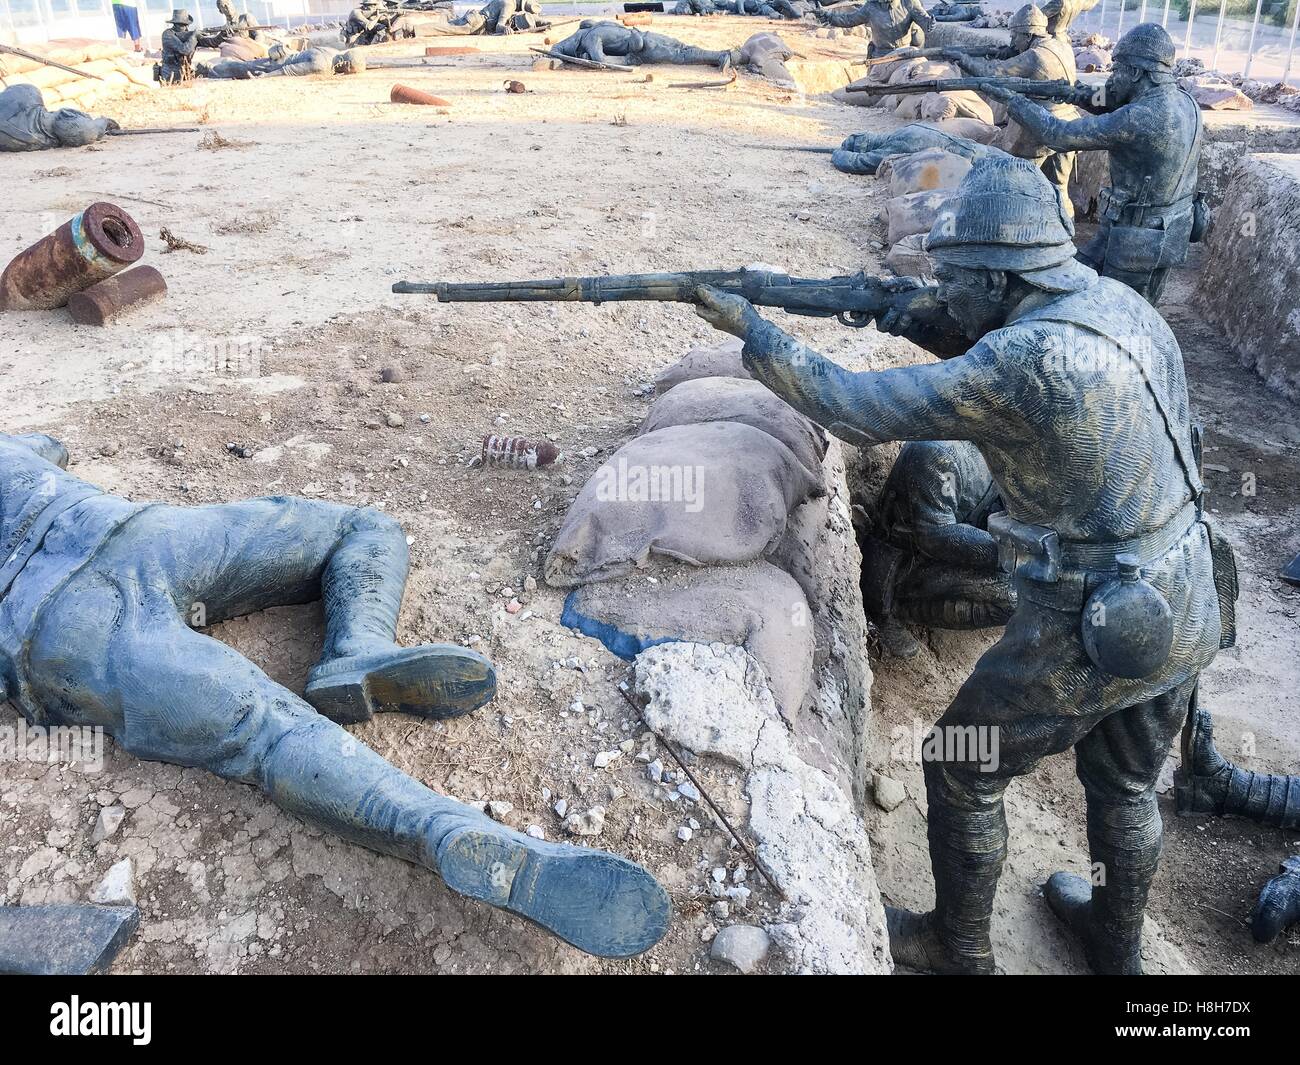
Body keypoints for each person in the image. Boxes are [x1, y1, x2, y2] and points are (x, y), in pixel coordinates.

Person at [690, 154, 1234, 975]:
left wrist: (754, 331)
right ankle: (1116, 946)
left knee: (958, 763)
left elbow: (857, 406)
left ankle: (958, 944)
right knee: (1124, 785)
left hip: (1098, 615)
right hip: (1186, 589)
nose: (946, 294)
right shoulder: (1120, 305)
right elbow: (996, 340)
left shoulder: (1020, 364)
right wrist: (901, 313)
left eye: (955, 280)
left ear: (995, 274)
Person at [0, 432, 670, 959]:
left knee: (263, 728)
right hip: (130, 535)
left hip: (59, 621)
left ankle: (430, 808)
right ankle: (360, 648)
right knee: (362, 529)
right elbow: (46, 443)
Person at [983, 23, 1203, 304]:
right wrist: (1069, 93)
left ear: (1136, 72)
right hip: (1144, 228)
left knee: (1122, 310)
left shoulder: (1140, 116)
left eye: (1116, 69)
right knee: (1077, 273)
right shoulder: (1185, 101)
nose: (1111, 77)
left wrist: (1015, 102)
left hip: (1140, 241)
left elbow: (1060, 136)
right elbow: (1108, 100)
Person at [863, 440, 1013, 658]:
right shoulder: (940, 454)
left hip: (956, 548)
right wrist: (1012, 553)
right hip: (905, 563)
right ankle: (894, 607)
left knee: (1035, 584)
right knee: (1017, 596)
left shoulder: (1006, 454)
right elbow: (935, 536)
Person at [939, 4, 1078, 214]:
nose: (1013, 41)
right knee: (1059, 187)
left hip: (1039, 127)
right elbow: (1016, 55)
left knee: (1021, 183)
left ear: (1028, 34)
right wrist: (1007, 53)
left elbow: (991, 73)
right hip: (1069, 123)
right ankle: (1066, 229)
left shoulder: (1035, 57)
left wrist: (962, 59)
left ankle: (1022, 224)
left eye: (1015, 36)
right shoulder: (1062, 46)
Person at [551, 20, 738, 70]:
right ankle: (720, 55)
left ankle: (720, 56)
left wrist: (627, 60)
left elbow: (601, 60)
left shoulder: (591, 38)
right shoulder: (605, 26)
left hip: (643, 47)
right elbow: (557, 49)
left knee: (680, 56)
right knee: (682, 47)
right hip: (644, 35)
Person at [0, 85, 117, 152]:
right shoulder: (43, 143)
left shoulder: (28, 93)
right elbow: (90, 131)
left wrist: (102, 122)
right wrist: (104, 122)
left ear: (67, 112)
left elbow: (88, 130)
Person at [815, 0, 936, 57]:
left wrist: (930, 24)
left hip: (905, 53)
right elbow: (849, 20)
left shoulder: (909, 3)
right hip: (881, 55)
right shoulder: (871, 7)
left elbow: (924, 21)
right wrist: (827, 16)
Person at [199, 46, 365, 78]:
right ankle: (209, 69)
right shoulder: (320, 65)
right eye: (350, 69)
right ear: (345, 63)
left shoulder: (332, 52)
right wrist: (266, 76)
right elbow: (288, 70)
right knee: (240, 68)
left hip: (286, 55)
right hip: (276, 64)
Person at [158, 8, 199, 84]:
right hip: (170, 75)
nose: (186, 28)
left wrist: (222, 35)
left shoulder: (189, 36)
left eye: (187, 25)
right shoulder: (167, 34)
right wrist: (194, 36)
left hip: (185, 73)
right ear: (175, 24)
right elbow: (184, 50)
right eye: (182, 25)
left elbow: (211, 43)